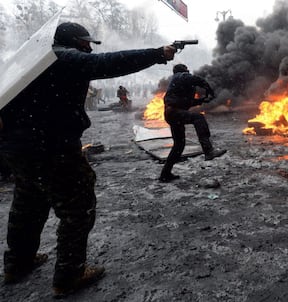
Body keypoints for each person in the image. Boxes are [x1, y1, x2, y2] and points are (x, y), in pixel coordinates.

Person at [0, 22, 176, 297]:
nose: (88, 48)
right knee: (77, 206)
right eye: (86, 43)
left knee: (28, 201)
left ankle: (17, 263)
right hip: (50, 146)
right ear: (75, 42)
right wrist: (157, 53)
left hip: (17, 147)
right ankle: (69, 275)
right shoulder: (63, 57)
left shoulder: (29, 64)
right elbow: (109, 63)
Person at [159, 64, 227, 182]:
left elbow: (186, 102)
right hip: (174, 113)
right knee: (198, 118)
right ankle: (208, 150)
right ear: (182, 70)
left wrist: (201, 101)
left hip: (172, 114)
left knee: (179, 146)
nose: (188, 71)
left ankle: (165, 173)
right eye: (187, 70)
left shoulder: (177, 85)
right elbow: (196, 79)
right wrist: (208, 88)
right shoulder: (180, 76)